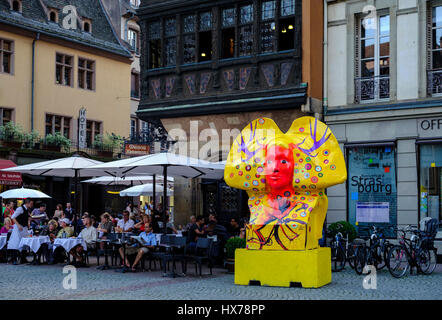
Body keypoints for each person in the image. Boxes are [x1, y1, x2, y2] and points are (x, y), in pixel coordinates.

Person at [7, 199, 34, 265]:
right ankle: (14, 259)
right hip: (18, 228)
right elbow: (13, 217)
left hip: (24, 228)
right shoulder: (20, 208)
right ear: (27, 203)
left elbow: (24, 217)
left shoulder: (27, 209)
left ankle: (23, 259)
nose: (32, 205)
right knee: (16, 243)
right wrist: (18, 225)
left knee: (24, 242)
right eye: (31, 203)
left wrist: (28, 221)